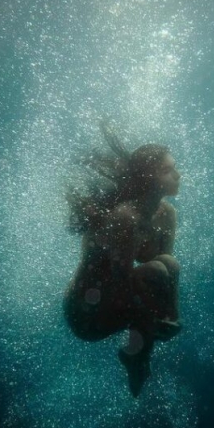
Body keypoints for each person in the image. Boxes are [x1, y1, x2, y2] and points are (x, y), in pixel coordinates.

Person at [64, 124, 183, 397]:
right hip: (85, 314)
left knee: (168, 265)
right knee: (155, 271)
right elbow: (121, 282)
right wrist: (152, 322)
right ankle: (137, 356)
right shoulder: (126, 218)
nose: (178, 174)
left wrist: (169, 318)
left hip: (116, 303)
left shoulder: (166, 214)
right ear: (148, 179)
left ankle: (143, 348)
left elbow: (166, 275)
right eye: (167, 170)